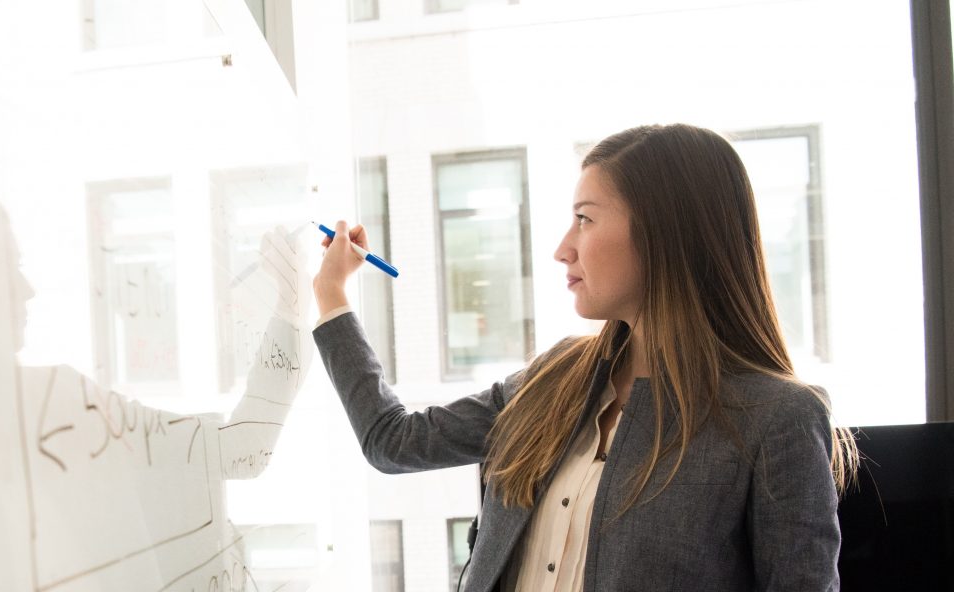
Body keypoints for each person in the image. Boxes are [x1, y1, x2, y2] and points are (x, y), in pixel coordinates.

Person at [311, 124, 857, 591]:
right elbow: (392, 441)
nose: (562, 247)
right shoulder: (552, 379)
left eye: (585, 219)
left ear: (665, 233)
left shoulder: (776, 418)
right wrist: (332, 295)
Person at [0, 187, 311, 591]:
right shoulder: (53, 407)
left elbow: (242, 450)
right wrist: (290, 308)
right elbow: (243, 448)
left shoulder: (59, 402)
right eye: (3, 266)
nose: (26, 288)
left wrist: (290, 311)